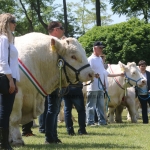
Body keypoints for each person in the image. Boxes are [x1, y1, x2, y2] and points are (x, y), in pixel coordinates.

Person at [38, 21, 64, 144]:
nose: (63, 30)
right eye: (61, 28)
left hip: (55, 80)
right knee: (52, 109)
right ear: (55, 30)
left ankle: (53, 136)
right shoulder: (52, 42)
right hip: (52, 80)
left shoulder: (54, 42)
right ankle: (49, 137)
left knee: (55, 109)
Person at [86, 41, 124, 126]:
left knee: (101, 105)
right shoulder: (90, 59)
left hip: (101, 87)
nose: (101, 49)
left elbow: (105, 73)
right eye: (100, 48)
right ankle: (90, 122)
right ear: (95, 48)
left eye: (102, 48)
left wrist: (119, 74)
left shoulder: (100, 59)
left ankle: (102, 121)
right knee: (91, 106)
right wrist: (93, 75)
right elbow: (87, 72)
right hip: (93, 87)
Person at [0, 13, 19, 150]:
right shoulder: (3, 39)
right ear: (6, 22)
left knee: (5, 111)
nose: (15, 24)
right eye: (13, 21)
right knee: (4, 112)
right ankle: (4, 143)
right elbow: (2, 61)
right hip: (5, 78)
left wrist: (14, 81)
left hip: (10, 78)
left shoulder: (9, 39)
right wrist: (10, 81)